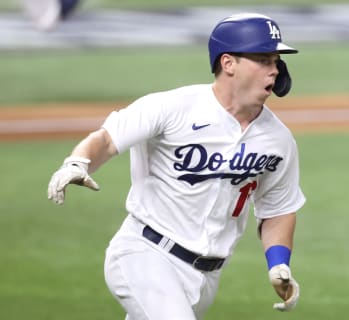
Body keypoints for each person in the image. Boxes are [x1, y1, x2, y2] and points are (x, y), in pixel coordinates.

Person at [47, 12, 306, 319]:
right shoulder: (172, 108)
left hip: (206, 278)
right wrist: (78, 162)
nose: (274, 70)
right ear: (228, 64)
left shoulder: (278, 140)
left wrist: (278, 263)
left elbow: (277, 208)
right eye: (263, 59)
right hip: (145, 256)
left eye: (276, 61)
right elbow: (106, 139)